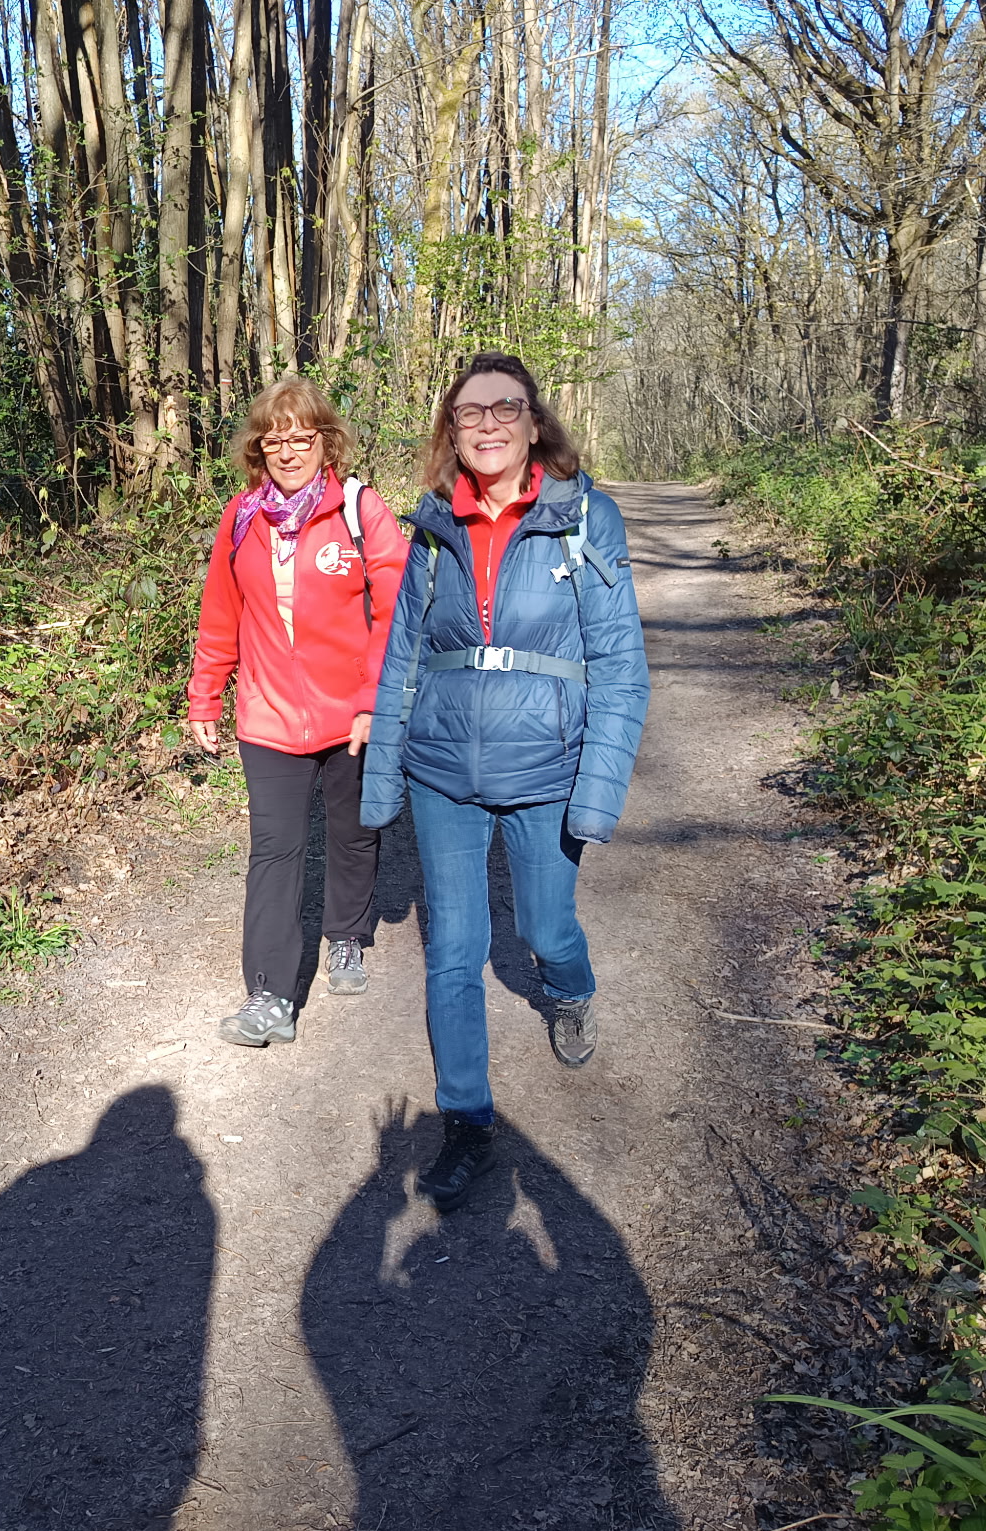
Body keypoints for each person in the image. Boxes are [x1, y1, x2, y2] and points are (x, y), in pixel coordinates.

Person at [360, 352, 650, 1210]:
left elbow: (620, 668)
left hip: (547, 767)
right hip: (442, 769)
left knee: (545, 925)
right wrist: (382, 784)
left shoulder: (583, 518)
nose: (487, 425)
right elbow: (402, 662)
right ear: (451, 430)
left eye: (505, 409)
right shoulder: (433, 527)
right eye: (470, 412)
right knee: (453, 947)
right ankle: (466, 1121)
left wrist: (597, 792)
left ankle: (569, 990)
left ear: (534, 422)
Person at [189, 377, 407, 1047]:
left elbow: (396, 613)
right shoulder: (242, 517)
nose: (287, 451)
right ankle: (270, 994)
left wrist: (375, 701)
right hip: (268, 715)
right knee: (274, 851)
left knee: (352, 832)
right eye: (272, 440)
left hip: (352, 714)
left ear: (325, 441)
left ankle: (346, 934)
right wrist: (205, 693)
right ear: (257, 449)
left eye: (301, 438)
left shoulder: (359, 510)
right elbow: (221, 613)